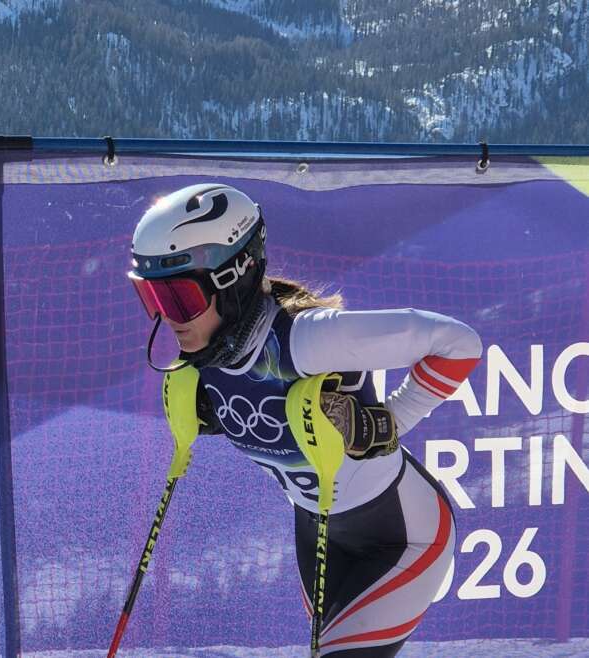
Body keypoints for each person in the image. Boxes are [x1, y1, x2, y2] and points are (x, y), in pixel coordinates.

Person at [126, 183, 482, 656]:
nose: (168, 318)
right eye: (151, 297)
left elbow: (459, 344)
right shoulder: (208, 356)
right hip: (316, 535)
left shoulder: (308, 339)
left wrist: (387, 423)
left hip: (403, 538)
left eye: (179, 299)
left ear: (233, 277)